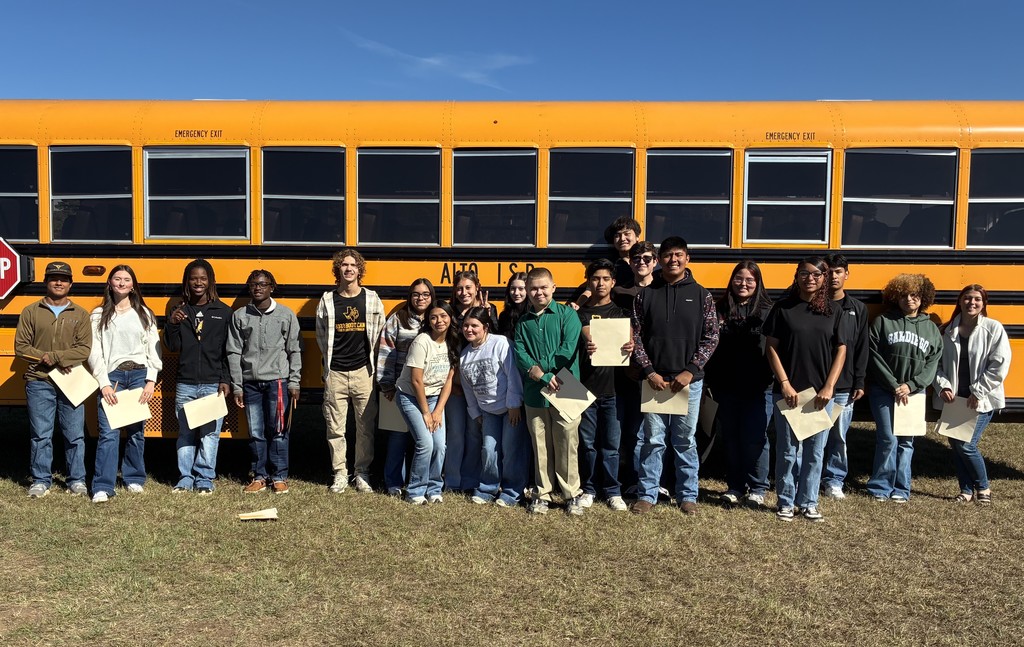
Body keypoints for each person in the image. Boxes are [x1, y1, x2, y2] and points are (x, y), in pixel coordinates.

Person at [630, 237, 719, 516]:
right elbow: (635, 336)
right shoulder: (645, 294)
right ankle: (647, 493)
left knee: (685, 441)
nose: (673, 260)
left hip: (688, 383)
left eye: (678, 255)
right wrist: (649, 371)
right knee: (653, 440)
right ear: (659, 259)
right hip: (655, 380)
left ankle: (687, 495)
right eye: (667, 255)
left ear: (687, 259)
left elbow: (712, 336)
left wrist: (690, 371)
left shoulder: (702, 294)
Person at [764, 257, 847, 522]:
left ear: (824, 278)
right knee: (787, 451)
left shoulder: (833, 311)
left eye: (816, 274)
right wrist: (785, 383)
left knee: (815, 451)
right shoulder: (783, 308)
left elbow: (841, 349)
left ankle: (809, 502)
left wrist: (829, 386)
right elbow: (771, 348)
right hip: (789, 393)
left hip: (819, 395)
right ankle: (786, 502)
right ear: (796, 276)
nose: (809, 278)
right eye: (804, 273)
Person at [14, 261, 92, 498]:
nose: (59, 282)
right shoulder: (31, 311)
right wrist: (47, 359)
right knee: (41, 434)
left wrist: (54, 356)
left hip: (71, 382)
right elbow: (21, 347)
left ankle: (76, 480)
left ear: (70, 283)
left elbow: (84, 349)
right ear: (46, 282)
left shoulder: (80, 314)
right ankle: (40, 480)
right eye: (54, 278)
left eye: (64, 279)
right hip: (39, 381)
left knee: (75, 434)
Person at [88, 265, 162, 503]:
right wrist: (104, 383)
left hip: (139, 375)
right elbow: (94, 351)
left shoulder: (144, 313)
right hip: (114, 377)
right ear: (109, 283)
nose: (121, 283)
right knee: (108, 433)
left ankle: (134, 478)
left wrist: (151, 380)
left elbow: (153, 348)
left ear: (133, 285)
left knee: (135, 432)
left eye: (126, 279)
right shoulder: (98, 315)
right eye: (117, 279)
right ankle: (102, 485)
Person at [703, 260, 774, 508]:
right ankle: (735, 486)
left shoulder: (767, 311)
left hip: (758, 387)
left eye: (749, 280)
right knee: (731, 438)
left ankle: (757, 488)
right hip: (726, 385)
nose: (743, 284)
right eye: (738, 278)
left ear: (758, 283)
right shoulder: (719, 308)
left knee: (756, 438)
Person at [866, 274, 942, 503]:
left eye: (915, 295)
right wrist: (893, 385)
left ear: (923, 298)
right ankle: (880, 486)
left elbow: (932, 363)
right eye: (904, 295)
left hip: (914, 393)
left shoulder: (931, 329)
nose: (909, 300)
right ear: (895, 297)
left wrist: (910, 385)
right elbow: (874, 355)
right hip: (883, 390)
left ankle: (901, 488)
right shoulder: (883, 321)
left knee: (906, 440)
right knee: (888, 438)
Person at [514, 267, 584, 515]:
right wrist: (539, 375)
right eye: (533, 288)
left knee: (567, 442)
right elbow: (520, 353)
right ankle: (542, 493)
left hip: (567, 386)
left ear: (554, 288)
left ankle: (572, 494)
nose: (539, 292)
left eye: (544, 287)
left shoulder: (567, 315)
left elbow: (568, 348)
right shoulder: (522, 323)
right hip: (534, 393)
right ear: (527, 291)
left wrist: (541, 371)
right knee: (540, 444)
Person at [934, 284, 1011, 504]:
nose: (972, 302)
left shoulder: (993, 328)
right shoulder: (947, 330)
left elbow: (1000, 365)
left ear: (984, 303)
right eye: (967, 298)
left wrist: (978, 390)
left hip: (981, 399)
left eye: (977, 299)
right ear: (959, 301)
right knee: (956, 444)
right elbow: (936, 365)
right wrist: (943, 386)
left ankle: (983, 488)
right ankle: (966, 490)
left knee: (966, 444)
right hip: (955, 399)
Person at [316, 248, 385, 494]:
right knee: (335, 427)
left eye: (353, 265)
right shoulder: (327, 300)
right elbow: (321, 337)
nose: (348, 268)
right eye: (344, 265)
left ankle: (362, 472)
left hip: (363, 372)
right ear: (338, 270)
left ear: (359, 270)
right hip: (335, 372)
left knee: (365, 426)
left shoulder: (371, 299)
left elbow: (380, 336)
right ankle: (340, 473)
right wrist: (329, 366)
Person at [228, 269, 302, 495]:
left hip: (277, 382)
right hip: (250, 383)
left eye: (262, 284)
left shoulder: (285, 315)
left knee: (278, 430)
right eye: (253, 284)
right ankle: (259, 476)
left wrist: (294, 382)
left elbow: (295, 349)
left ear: (272, 287)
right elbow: (233, 352)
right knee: (256, 432)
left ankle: (279, 476)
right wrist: (237, 385)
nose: (257, 288)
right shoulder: (240, 315)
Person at [164, 259, 232, 494]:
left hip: (212, 382)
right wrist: (171, 324)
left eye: (203, 278)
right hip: (186, 383)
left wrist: (225, 379)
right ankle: (185, 478)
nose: (198, 283)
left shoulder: (223, 312)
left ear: (210, 281)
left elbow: (227, 350)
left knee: (210, 434)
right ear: (187, 281)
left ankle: (204, 478)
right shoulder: (178, 311)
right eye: (194, 278)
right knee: (186, 432)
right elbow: (172, 346)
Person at [575, 259, 633, 512]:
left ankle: (612, 490)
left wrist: (631, 347)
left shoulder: (622, 314)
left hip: (614, 390)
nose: (600, 283)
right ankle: (588, 489)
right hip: (584, 389)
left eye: (606, 279)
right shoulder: (578, 315)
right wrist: (585, 344)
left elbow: (630, 347)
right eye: (596, 278)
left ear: (613, 283)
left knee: (611, 445)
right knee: (587, 444)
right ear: (589, 282)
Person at [460, 306, 528, 507]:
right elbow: (468, 389)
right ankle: (487, 488)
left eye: (474, 325)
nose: (469, 329)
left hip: (510, 410)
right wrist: (476, 412)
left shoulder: (501, 344)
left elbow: (513, 374)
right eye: (466, 325)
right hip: (488, 412)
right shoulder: (465, 356)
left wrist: (514, 404)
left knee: (511, 449)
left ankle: (512, 492)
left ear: (486, 327)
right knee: (489, 450)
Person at [395, 301, 459, 504]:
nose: (439, 321)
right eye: (433, 317)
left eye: (443, 316)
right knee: (425, 443)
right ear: (428, 321)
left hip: (434, 398)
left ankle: (434, 488)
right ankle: (415, 490)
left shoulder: (452, 342)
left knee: (440, 445)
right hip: (411, 396)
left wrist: (438, 411)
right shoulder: (422, 341)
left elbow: (449, 380)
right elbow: (415, 380)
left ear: (450, 318)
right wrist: (426, 413)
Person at [377, 279, 436, 496]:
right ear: (410, 296)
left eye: (425, 294)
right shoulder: (398, 320)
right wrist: (387, 385)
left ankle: (425, 482)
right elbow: (386, 352)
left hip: (429, 389)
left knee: (428, 438)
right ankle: (393, 482)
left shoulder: (436, 319)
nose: (421, 298)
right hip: (401, 388)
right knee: (398, 437)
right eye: (416, 294)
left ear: (432, 296)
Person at [821, 254, 869, 499]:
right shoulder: (813, 304)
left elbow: (862, 347)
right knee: (810, 433)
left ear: (846, 275)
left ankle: (834, 479)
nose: (833, 276)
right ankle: (806, 476)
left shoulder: (857, 309)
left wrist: (859, 380)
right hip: (815, 383)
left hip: (843, 386)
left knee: (838, 435)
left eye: (838, 271)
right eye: (828, 271)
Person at [444, 270, 496, 493]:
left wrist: (487, 314)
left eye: (468, 287)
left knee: (476, 434)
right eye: (459, 288)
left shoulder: (488, 311)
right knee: (455, 433)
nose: (463, 292)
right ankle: (454, 480)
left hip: (481, 386)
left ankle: (472, 479)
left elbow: (495, 344)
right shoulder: (450, 314)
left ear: (477, 287)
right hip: (455, 383)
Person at [614, 241, 658, 491]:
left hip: (656, 370)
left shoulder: (664, 291)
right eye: (636, 258)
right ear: (629, 262)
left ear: (655, 262)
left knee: (656, 432)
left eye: (647, 258)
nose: (641, 262)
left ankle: (656, 481)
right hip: (626, 370)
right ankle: (633, 479)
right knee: (631, 430)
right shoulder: (619, 292)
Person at [496, 272, 528, 339]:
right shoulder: (504, 316)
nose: (516, 293)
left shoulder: (534, 315)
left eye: (521, 289)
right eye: (513, 288)